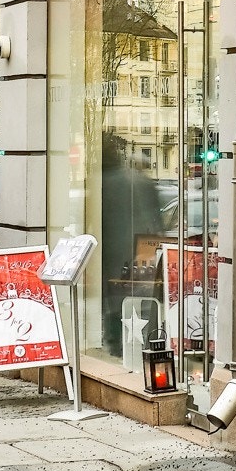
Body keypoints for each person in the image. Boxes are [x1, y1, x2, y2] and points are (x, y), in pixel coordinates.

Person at [99, 134, 162, 356]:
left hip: (112, 250)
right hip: (143, 248)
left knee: (114, 298)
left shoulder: (103, 182)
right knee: (142, 296)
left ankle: (117, 344)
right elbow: (156, 219)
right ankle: (144, 341)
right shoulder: (142, 181)